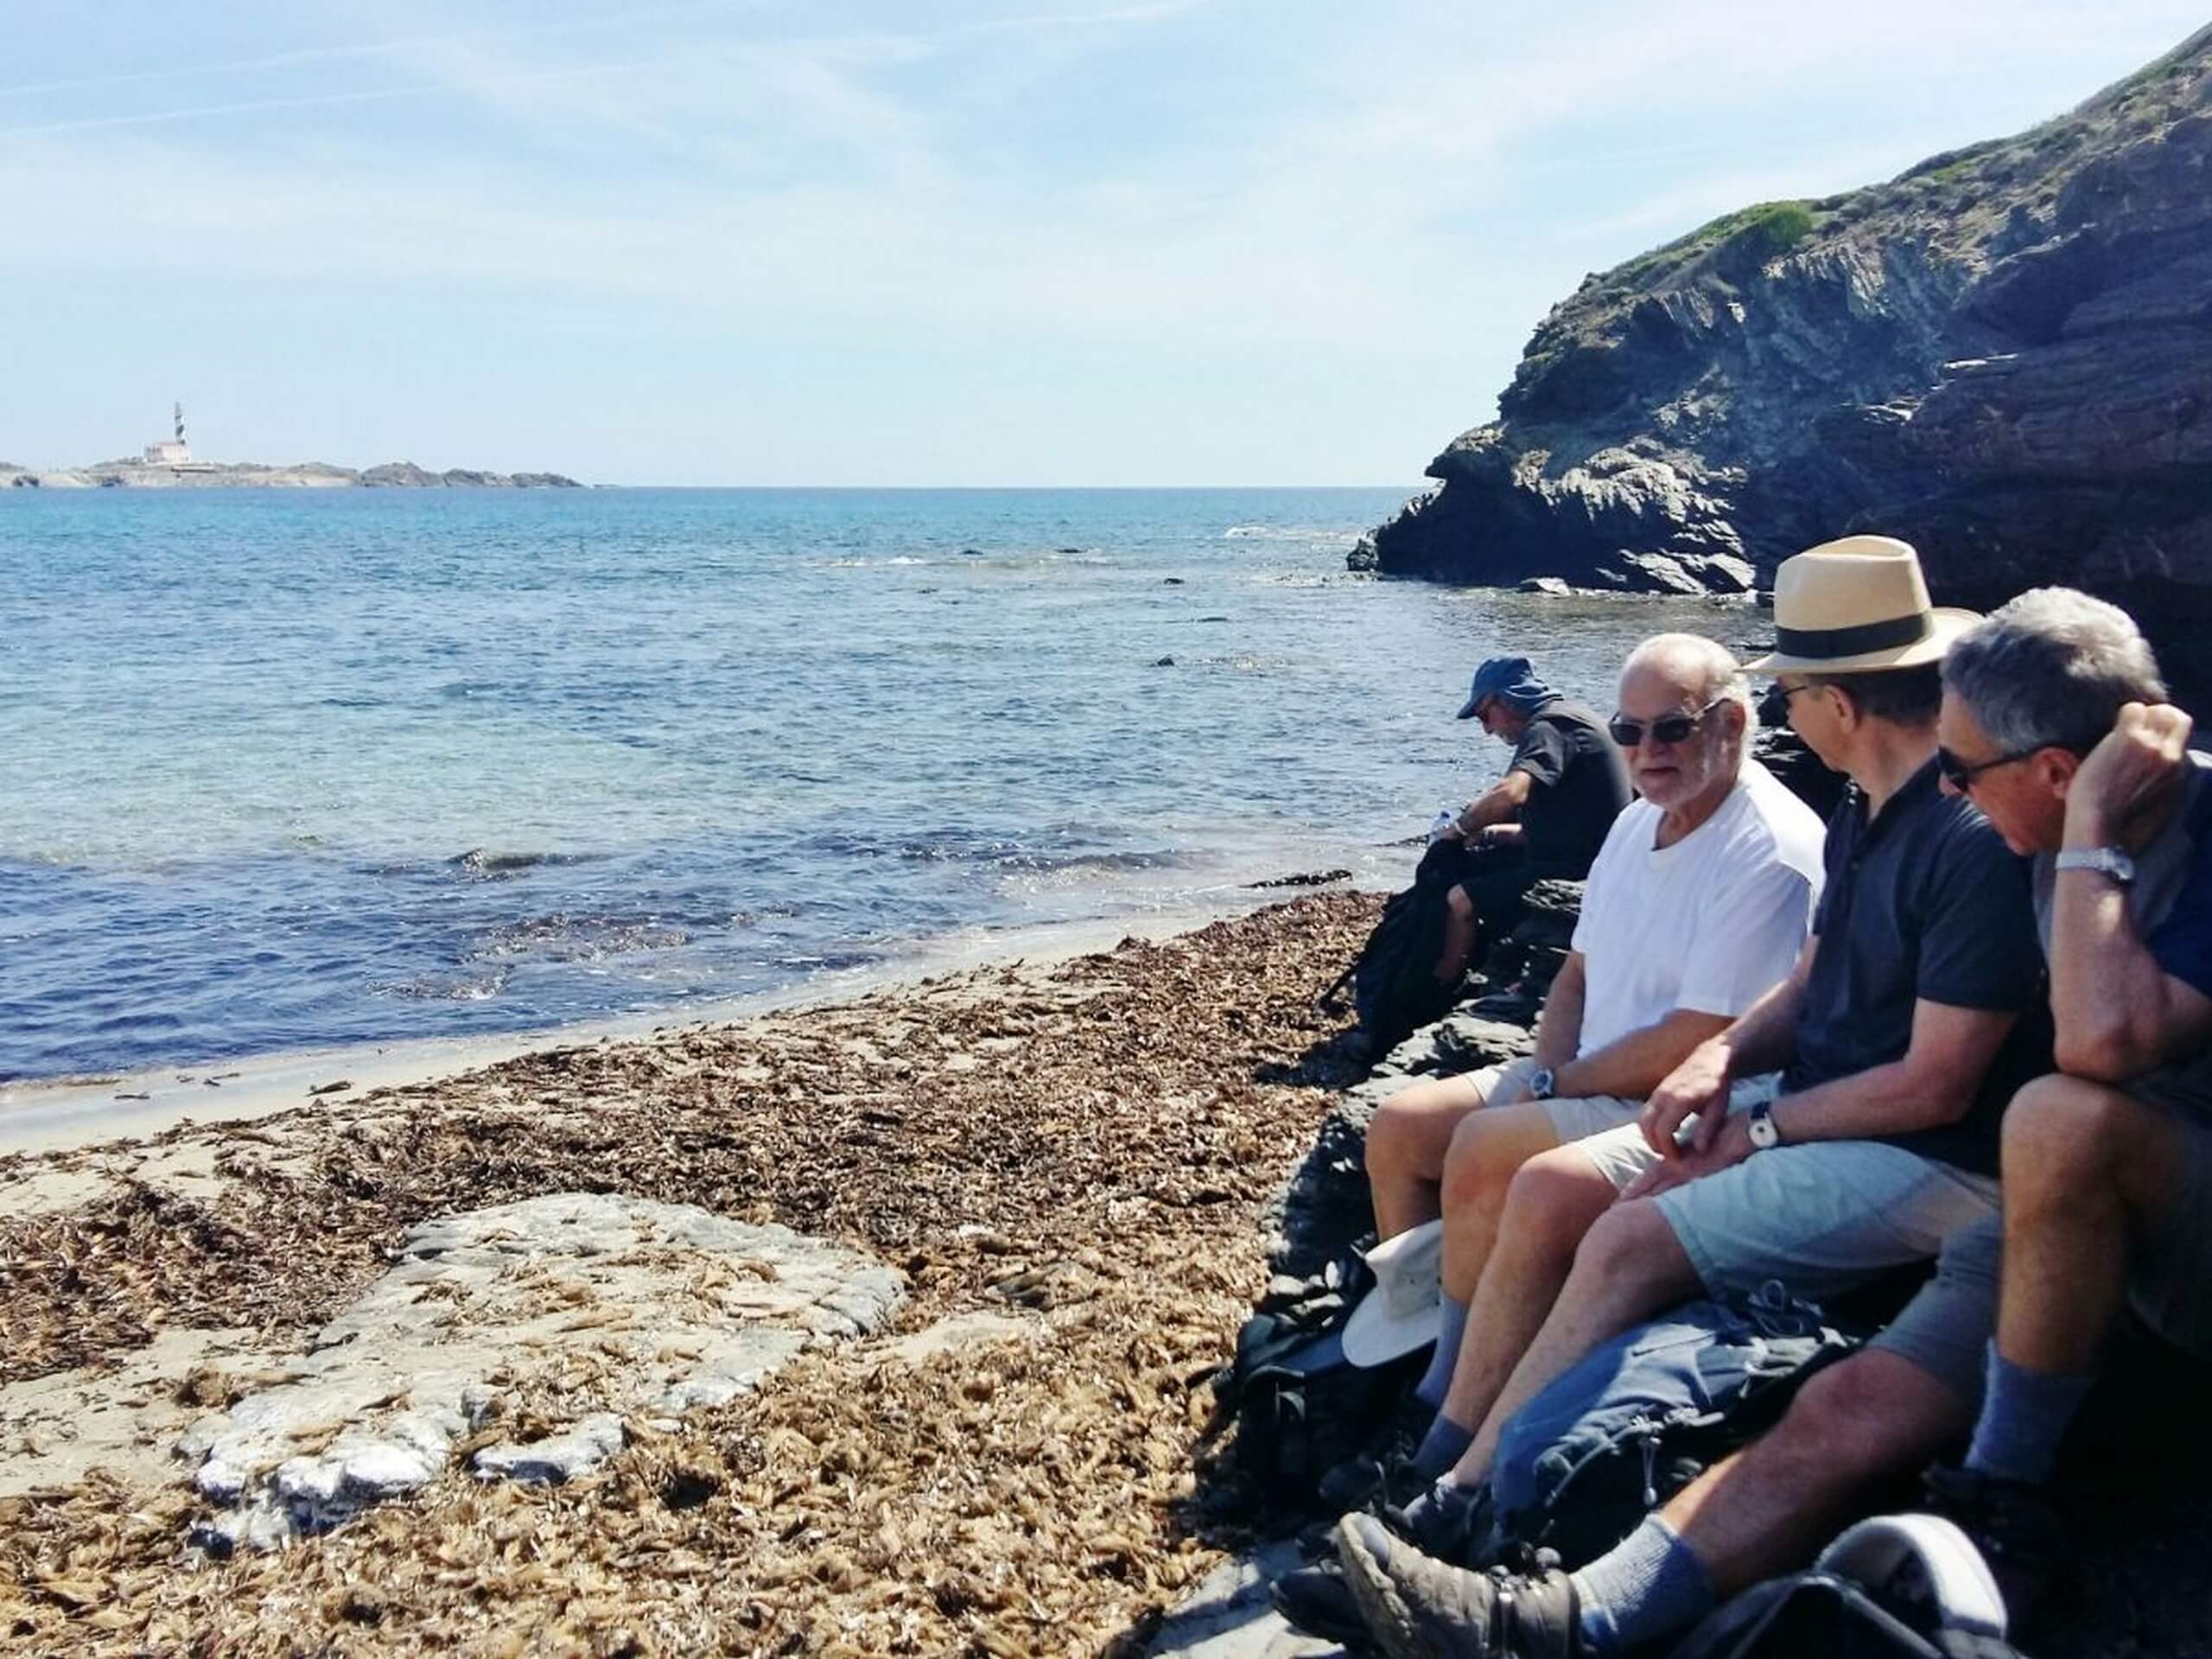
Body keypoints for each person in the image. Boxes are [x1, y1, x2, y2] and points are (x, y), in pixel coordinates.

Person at [1325, 537, 2057, 1658]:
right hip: (1835, 1117)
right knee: (1564, 1195)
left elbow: (1942, 1084)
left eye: (1787, 693)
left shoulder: (1959, 839)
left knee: (1620, 1236)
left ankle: (1464, 1506)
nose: (1775, 716)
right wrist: (1723, 1069)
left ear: (1838, 702)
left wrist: (1753, 1121)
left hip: (1933, 1159)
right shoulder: (1875, 808)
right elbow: (1814, 977)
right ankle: (1454, 1474)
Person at [1351, 635, 1824, 1485]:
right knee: (1398, 1128)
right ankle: (1428, 1350)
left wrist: (1550, 1090)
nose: (1646, 753)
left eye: (1671, 730)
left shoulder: (1770, 848)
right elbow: (1576, 971)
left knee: (1486, 1152)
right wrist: (1542, 1070)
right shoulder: (1637, 824)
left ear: (1733, 723)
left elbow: (1699, 1039)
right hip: (1587, 1075)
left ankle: (1440, 1412)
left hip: (1678, 1097)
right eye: (1628, 731)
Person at [1427, 656, 1630, 990]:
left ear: (1507, 699)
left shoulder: (1548, 727)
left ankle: (1442, 985)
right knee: (1485, 863)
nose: (1487, 729)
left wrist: (1458, 830)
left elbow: (1511, 793)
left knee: (1459, 898)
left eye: (1484, 715)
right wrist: (1490, 833)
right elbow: (1570, 825)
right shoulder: (1572, 718)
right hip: (1593, 855)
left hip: (1580, 872)